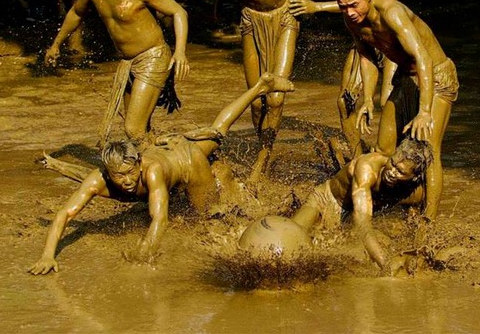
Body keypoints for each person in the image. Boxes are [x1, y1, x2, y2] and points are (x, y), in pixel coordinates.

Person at [28, 73, 295, 275]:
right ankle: (261, 86)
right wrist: (47, 255)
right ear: (107, 172)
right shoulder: (98, 178)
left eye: (131, 173)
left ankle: (262, 86)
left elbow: (159, 218)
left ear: (139, 163)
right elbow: (65, 214)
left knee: (211, 219)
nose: (128, 181)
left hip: (187, 160)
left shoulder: (152, 172)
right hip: (173, 150)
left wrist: (147, 251)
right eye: (119, 177)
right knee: (219, 128)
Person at [215, 0, 380, 181]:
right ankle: (263, 145)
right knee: (256, 102)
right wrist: (216, 13)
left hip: (284, 16)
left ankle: (262, 161)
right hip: (251, 20)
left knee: (276, 96)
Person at [297, 0, 458, 218]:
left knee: (429, 147)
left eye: (354, 5)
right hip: (405, 78)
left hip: (436, 76)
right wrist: (368, 101)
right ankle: (398, 203)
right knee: (384, 149)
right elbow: (367, 56)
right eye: (343, 7)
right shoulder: (352, 20)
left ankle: (430, 219)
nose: (350, 12)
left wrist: (425, 111)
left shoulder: (392, 13)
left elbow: (423, 58)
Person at [44, 0, 190, 145]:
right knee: (140, 130)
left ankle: (168, 164)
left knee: (133, 129)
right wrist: (56, 44)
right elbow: (76, 13)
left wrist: (180, 52)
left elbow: (178, 12)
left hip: (153, 57)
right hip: (127, 62)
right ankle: (155, 169)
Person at [289, 0, 397, 160]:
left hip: (392, 39)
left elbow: (363, 0)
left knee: (389, 102)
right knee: (345, 101)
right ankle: (358, 159)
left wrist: (316, 8)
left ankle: (390, 159)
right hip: (363, 39)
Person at [292, 136, 433, 274]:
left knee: (385, 248)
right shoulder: (368, 167)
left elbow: (419, 222)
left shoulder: (415, 191)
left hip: (349, 219)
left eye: (401, 172)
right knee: (290, 238)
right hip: (325, 200)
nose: (392, 172)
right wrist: (386, 266)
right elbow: (363, 222)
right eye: (393, 163)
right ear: (393, 155)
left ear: (413, 177)